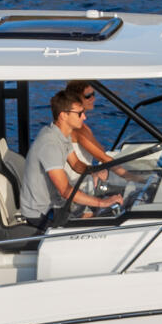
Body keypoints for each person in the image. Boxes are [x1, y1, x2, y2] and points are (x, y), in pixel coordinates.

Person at [19, 90, 125, 226]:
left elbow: (75, 164)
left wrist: (93, 171)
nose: (84, 117)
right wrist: (102, 203)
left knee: (101, 211)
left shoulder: (62, 135)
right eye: (80, 113)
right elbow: (65, 190)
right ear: (63, 115)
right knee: (104, 215)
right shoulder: (50, 144)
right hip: (42, 214)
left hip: (55, 204)